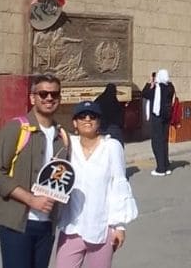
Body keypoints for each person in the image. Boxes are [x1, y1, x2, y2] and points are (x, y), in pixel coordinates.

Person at [0, 74, 70, 268]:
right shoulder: (17, 128)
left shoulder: (62, 136)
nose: (49, 98)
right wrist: (31, 200)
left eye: (54, 94)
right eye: (43, 94)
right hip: (17, 222)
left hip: (46, 224)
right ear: (33, 98)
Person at [55, 101, 138, 268]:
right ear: (75, 123)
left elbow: (118, 185)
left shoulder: (111, 147)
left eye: (92, 116)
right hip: (72, 227)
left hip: (101, 228)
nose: (87, 119)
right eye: (82, 116)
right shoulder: (69, 146)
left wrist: (119, 226)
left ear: (99, 122)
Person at [142, 69, 175, 176]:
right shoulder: (170, 87)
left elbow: (145, 94)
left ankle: (160, 169)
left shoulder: (157, 88)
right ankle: (166, 165)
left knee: (157, 142)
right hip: (167, 116)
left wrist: (149, 83)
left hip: (157, 117)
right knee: (164, 141)